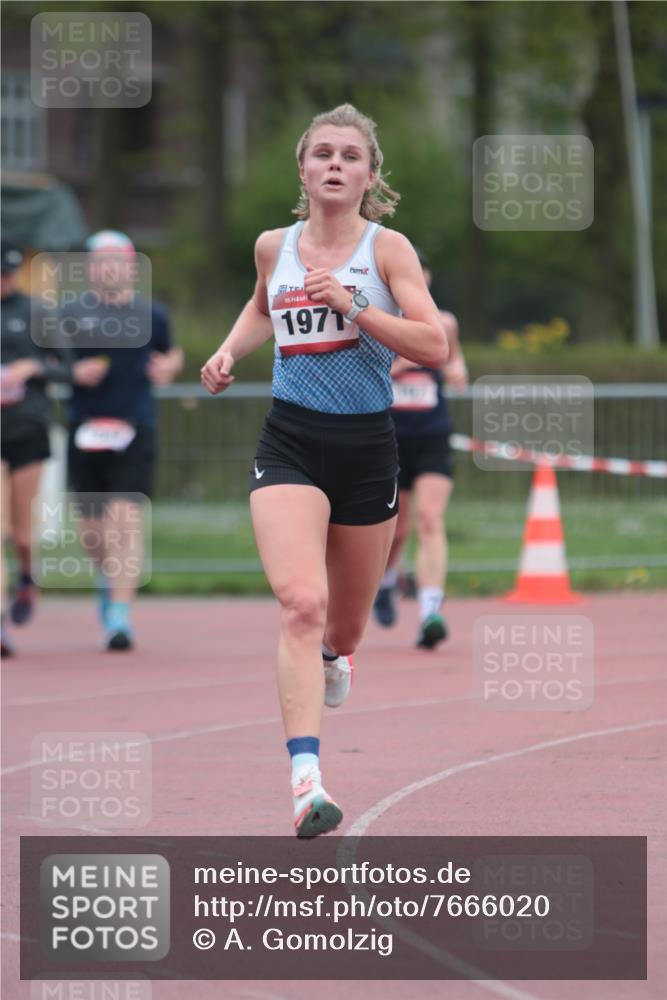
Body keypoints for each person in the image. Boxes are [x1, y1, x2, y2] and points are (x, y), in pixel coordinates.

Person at [201, 104, 448, 838]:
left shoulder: (388, 249)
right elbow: (259, 310)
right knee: (299, 606)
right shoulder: (272, 245)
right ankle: (306, 783)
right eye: (322, 154)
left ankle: (337, 654)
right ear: (303, 170)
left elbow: (431, 342)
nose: (335, 165)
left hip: (368, 449)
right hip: (291, 442)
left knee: (341, 625)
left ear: (370, 176)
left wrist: (355, 305)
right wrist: (226, 353)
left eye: (350, 156)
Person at [64, 230, 183, 651]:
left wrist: (168, 367)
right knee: (92, 533)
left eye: (117, 260)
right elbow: (50, 363)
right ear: (91, 269)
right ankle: (108, 580)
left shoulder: (152, 315)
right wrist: (73, 374)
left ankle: (119, 617)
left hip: (136, 428)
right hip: (85, 430)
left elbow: (172, 353)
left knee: (125, 520)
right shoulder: (69, 314)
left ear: (131, 267)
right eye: (100, 261)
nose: (109, 268)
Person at [373, 249, 468, 649]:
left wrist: (455, 368)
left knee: (430, 519)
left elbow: (457, 370)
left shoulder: (443, 323)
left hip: (432, 432)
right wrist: (401, 363)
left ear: (426, 278)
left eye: (422, 273)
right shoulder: (378, 321)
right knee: (397, 529)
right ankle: (386, 581)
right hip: (390, 437)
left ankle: (430, 612)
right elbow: (374, 371)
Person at [1, 239, 72, 656]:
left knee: (20, 532)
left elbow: (67, 367)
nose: (3, 281)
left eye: (8, 273)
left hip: (27, 428)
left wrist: (34, 367)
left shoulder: (36, 311)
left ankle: (28, 573)